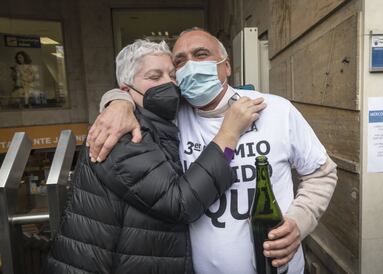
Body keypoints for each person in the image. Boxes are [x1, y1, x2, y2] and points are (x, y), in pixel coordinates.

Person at [88, 28, 338, 274]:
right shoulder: (171, 119)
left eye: (200, 54)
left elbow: (321, 173)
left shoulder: (276, 110)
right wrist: (118, 102)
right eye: (180, 61)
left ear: (226, 66)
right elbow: (138, 95)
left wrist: (299, 222)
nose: (191, 65)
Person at [44, 39, 265, 274]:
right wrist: (228, 134)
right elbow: (179, 203)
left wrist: (119, 101)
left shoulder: (159, 120)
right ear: (127, 88)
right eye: (154, 77)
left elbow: (218, 96)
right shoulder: (123, 135)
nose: (168, 84)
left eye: (172, 75)